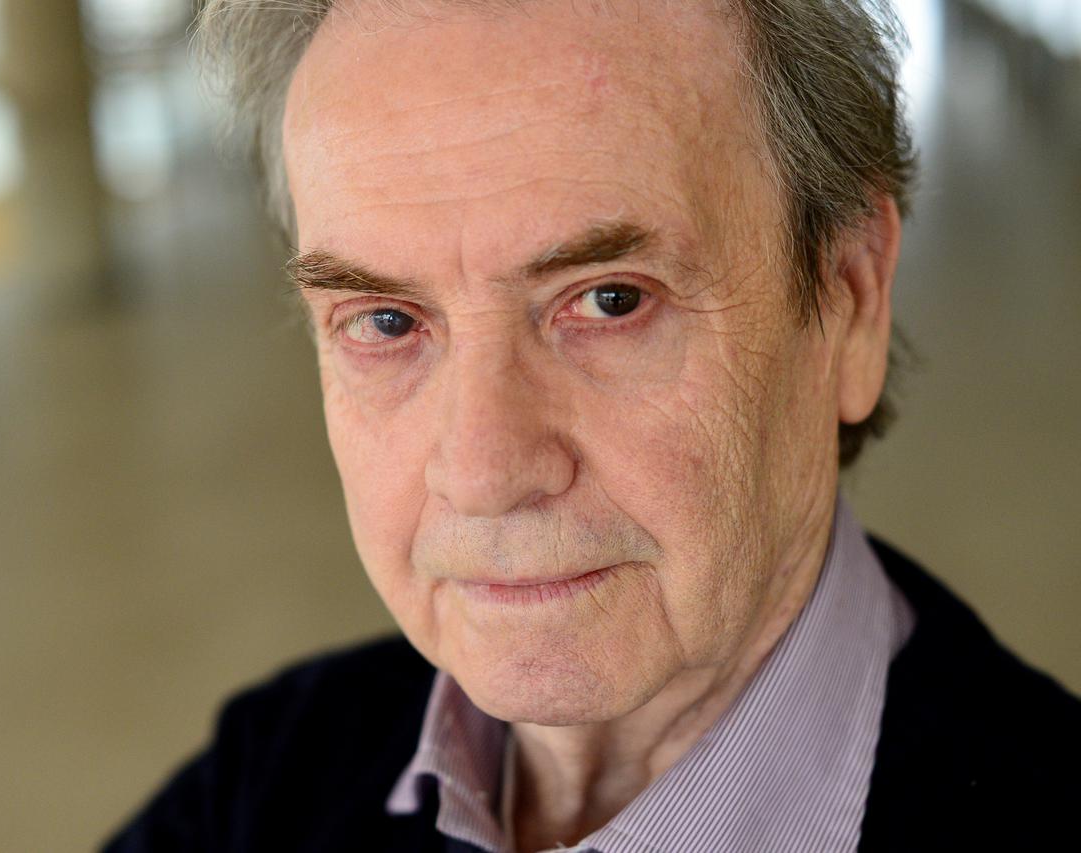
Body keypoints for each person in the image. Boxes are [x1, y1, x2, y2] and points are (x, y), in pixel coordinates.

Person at [104, 1, 1081, 850]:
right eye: (387, 322)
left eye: (611, 300)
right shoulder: (267, 780)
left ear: (849, 298)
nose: (483, 472)